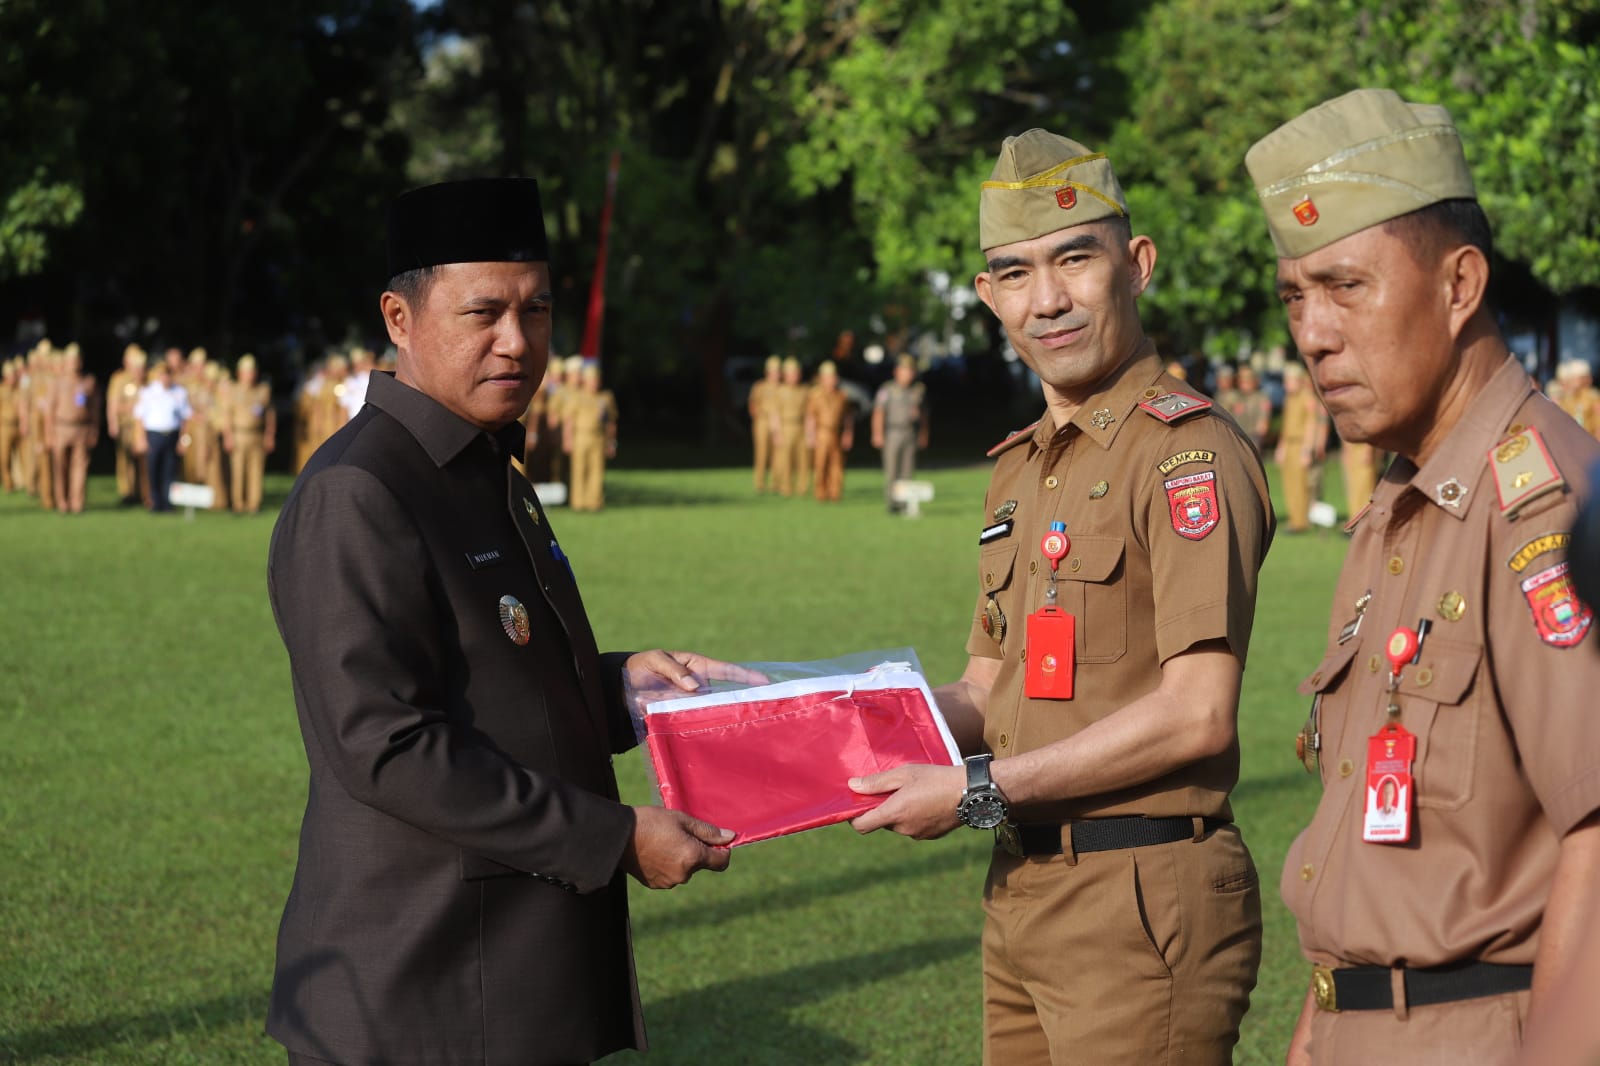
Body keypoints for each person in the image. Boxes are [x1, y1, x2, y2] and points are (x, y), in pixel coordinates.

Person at [265, 178, 749, 1066]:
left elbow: (496, 673)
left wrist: (618, 687)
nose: (518, 343)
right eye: (483, 313)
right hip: (425, 981)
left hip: (510, 964)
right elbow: (384, 744)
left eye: (538, 310)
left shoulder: (481, 462)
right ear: (399, 319)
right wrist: (615, 839)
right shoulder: (361, 489)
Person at [850, 129, 1272, 1065]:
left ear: (1138, 265)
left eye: (1075, 259)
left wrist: (971, 794)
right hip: (1025, 888)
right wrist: (811, 720)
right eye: (1016, 272)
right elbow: (986, 689)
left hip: (1141, 892)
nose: (1048, 300)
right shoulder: (1019, 470)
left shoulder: (1185, 454)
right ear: (986, 295)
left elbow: (1198, 716)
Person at [1245, 88, 1600, 1064]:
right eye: (1293, 296)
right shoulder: (1401, 507)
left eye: (1345, 286)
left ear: (1458, 286)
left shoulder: (1536, 506)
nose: (1311, 333)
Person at [46, 343, 101, 513]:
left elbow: (95, 408)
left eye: (77, 360)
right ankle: (62, 501)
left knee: (80, 467)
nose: (75, 363)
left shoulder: (88, 382)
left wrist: (94, 429)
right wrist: (49, 433)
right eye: (71, 360)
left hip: (82, 428)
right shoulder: (57, 382)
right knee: (60, 467)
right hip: (61, 427)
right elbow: (49, 409)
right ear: (66, 362)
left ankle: (77, 502)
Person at [872, 353, 930, 513]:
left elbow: (925, 414)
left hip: (910, 432)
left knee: (907, 469)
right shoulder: (887, 389)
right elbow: (878, 412)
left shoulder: (918, 390)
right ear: (897, 371)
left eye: (911, 370)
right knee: (892, 469)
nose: (908, 374)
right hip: (893, 432)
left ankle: (906, 503)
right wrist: (877, 434)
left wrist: (923, 433)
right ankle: (892, 503)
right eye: (904, 370)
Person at [133, 359, 191, 512]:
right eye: (163, 375)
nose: (166, 378)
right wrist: (140, 438)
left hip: (172, 435)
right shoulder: (148, 392)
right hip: (154, 435)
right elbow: (139, 417)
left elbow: (186, 419)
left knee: (170, 472)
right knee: (153, 470)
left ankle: (168, 503)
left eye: (168, 375)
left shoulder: (179, 392)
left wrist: (184, 441)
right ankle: (155, 502)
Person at [1276, 362, 1327, 531]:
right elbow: (1286, 426)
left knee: (1301, 484)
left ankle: (1301, 521)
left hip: (1300, 444)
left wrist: (1307, 450)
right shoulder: (1290, 398)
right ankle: (1294, 518)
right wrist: (1281, 447)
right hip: (1289, 443)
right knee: (1289, 482)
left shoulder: (1308, 398)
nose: (1286, 384)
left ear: (1297, 380)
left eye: (1288, 380)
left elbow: (1311, 425)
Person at [223, 354, 275, 514]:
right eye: (246, 371)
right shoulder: (232, 390)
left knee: (256, 471)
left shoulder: (262, 391)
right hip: (239, 434)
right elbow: (227, 415)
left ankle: (254, 504)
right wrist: (228, 436)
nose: (250, 375)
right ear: (239, 373)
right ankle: (238, 504)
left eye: (252, 371)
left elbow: (270, 415)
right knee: (238, 470)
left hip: (257, 435)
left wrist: (270, 435)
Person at [565, 362, 617, 512]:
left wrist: (611, 442)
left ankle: (595, 502)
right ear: (585, 380)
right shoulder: (577, 396)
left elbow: (611, 421)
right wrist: (567, 440)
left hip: (599, 437)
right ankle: (578, 502)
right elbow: (569, 420)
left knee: (597, 470)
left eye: (596, 379)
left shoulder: (606, 397)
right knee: (579, 469)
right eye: (591, 379)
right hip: (580, 436)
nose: (594, 382)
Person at [107, 345, 150, 506]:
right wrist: (113, 423)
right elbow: (113, 404)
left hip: (143, 427)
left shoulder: (148, 378)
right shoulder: (119, 379)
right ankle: (127, 492)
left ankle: (144, 493)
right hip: (126, 425)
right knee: (125, 461)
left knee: (143, 462)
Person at [804, 360, 853, 502]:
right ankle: (820, 492)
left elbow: (848, 417)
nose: (832, 380)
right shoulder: (815, 395)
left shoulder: (842, 395)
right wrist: (810, 435)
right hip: (821, 432)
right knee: (820, 464)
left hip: (836, 432)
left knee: (837, 465)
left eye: (834, 377)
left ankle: (835, 492)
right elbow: (810, 417)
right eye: (829, 377)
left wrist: (848, 433)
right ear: (822, 378)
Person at [772, 356, 809, 497]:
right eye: (792, 373)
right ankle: (785, 486)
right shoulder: (780, 391)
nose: (795, 376)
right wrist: (776, 432)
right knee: (785, 459)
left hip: (801, 426)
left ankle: (802, 487)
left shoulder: (804, 390)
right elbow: (775, 414)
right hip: (786, 426)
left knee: (803, 459)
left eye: (797, 373)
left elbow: (808, 412)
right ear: (786, 375)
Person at [749, 354, 782, 492]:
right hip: (762, 421)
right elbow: (753, 404)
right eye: (773, 371)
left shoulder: (782, 387)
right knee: (762, 453)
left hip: (779, 423)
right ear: (767, 372)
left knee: (778, 454)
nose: (776, 374)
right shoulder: (760, 386)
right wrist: (758, 418)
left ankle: (775, 483)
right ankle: (760, 483)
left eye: (778, 371)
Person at [1236, 363, 1272, 452]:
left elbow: (1263, 424)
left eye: (1247, 382)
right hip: (1238, 435)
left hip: (1254, 437)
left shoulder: (1261, 397)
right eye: (1242, 381)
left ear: (1255, 381)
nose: (1244, 384)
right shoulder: (1237, 397)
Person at [0, 357, 21, 492]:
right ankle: (8, 483)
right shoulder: (1, 390)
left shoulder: (20, 389)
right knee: (4, 456)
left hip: (19, 425)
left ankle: (21, 482)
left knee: (21, 457)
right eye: (10, 375)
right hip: (5, 426)